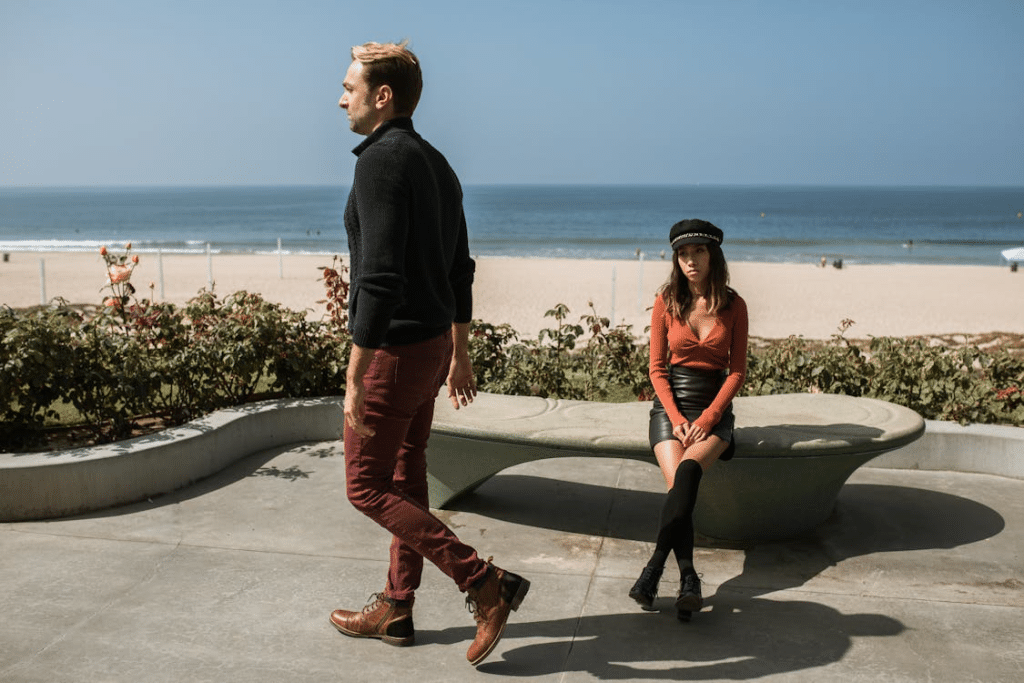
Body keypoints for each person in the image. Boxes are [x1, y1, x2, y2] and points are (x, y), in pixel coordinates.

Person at [328, 40, 529, 666]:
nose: (340, 98)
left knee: (365, 487)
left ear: (381, 97)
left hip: (392, 352)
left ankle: (483, 582)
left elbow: (380, 278)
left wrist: (356, 373)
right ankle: (396, 607)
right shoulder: (438, 164)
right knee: (406, 479)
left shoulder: (380, 163)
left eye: (349, 87)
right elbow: (459, 266)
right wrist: (460, 353)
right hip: (432, 346)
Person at [628, 219, 748, 621]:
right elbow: (657, 369)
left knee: (687, 478)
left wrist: (711, 416)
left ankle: (655, 569)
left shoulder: (735, 306)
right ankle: (689, 578)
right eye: (683, 254)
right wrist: (677, 418)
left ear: (713, 255)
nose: (690, 261)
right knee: (679, 490)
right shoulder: (667, 301)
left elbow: (737, 372)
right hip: (670, 408)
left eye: (698, 251)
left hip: (714, 409)